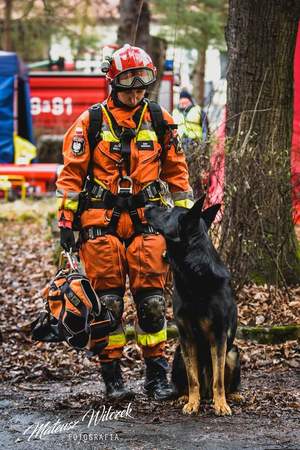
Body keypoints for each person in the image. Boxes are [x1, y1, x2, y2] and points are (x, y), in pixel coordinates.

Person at [56, 44, 193, 402]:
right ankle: (113, 377)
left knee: (150, 301)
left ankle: (156, 376)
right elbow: (71, 176)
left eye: (141, 84)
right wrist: (65, 222)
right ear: (112, 83)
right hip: (100, 221)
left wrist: (187, 220)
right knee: (109, 303)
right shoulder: (92, 122)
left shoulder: (160, 120)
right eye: (128, 84)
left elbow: (177, 174)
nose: (135, 92)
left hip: (148, 219)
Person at [172, 89, 209, 197]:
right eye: (181, 102)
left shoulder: (198, 111)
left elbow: (205, 130)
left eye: (185, 101)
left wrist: (203, 147)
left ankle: (197, 197)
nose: (183, 104)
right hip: (179, 148)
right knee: (180, 175)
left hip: (195, 147)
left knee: (196, 175)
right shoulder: (174, 112)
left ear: (190, 101)